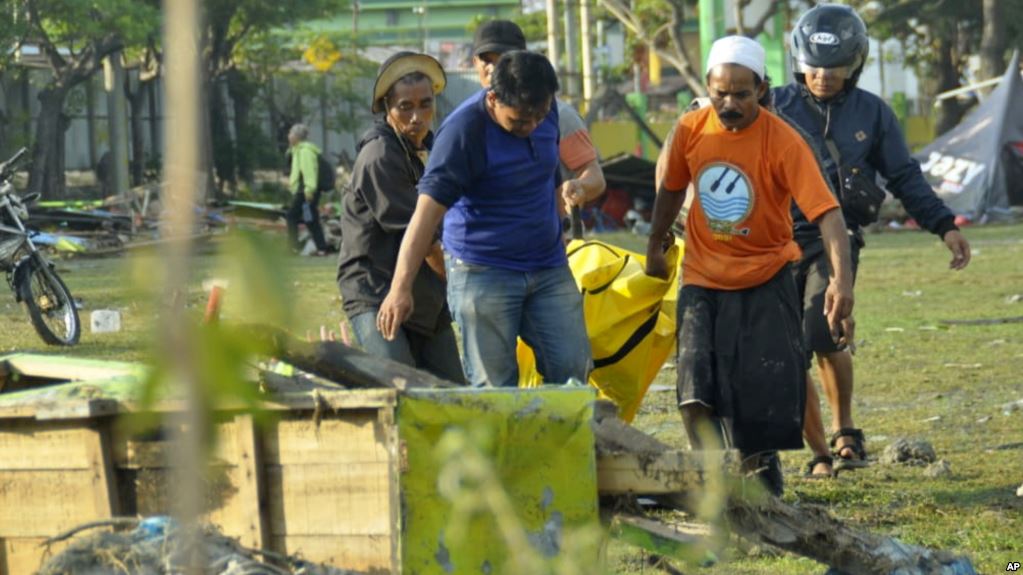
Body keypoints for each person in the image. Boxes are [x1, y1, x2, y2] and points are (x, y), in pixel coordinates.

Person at [645, 36, 854, 496]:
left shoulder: (783, 140)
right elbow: (670, 191)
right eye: (721, 92)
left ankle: (763, 482)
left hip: (765, 278)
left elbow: (827, 212)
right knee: (694, 391)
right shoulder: (690, 129)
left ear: (762, 89)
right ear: (708, 86)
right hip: (702, 277)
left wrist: (842, 281)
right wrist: (654, 245)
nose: (730, 103)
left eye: (742, 93)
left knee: (760, 396)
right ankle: (714, 487)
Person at [773, 4, 971, 477]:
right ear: (799, 62)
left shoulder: (873, 113)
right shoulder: (772, 105)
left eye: (835, 69)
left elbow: (904, 176)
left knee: (823, 331)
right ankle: (820, 452)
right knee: (787, 348)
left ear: (854, 66)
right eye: (814, 67)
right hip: (774, 240)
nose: (822, 77)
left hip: (833, 239)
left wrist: (945, 226)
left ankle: (846, 430)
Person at [377, 51, 592, 388]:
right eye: (520, 121)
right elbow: (425, 214)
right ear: (492, 98)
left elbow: (545, 174)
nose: (532, 126)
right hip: (483, 271)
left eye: (540, 115)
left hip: (548, 267)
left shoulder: (544, 112)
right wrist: (400, 288)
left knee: (572, 368)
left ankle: (558, 440)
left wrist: (556, 222)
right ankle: (503, 442)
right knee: (495, 388)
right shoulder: (464, 132)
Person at [337, 52, 464, 382]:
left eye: (425, 104)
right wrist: (464, 287)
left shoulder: (433, 149)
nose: (417, 117)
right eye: (405, 107)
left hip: (426, 296)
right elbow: (424, 239)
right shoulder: (379, 155)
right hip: (377, 291)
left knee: (456, 395)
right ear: (386, 108)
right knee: (404, 391)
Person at [471, 19, 606, 218]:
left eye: (503, 60)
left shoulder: (560, 116)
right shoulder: (468, 121)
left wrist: (581, 186)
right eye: (487, 60)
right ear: (474, 62)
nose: (493, 68)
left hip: (554, 238)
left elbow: (595, 176)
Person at [286, 123, 331, 255]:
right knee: (310, 219)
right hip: (305, 190)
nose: (289, 136)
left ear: (297, 136)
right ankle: (322, 248)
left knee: (291, 216)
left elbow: (309, 172)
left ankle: (293, 248)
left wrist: (309, 189)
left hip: (306, 191)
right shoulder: (297, 150)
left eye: (291, 133)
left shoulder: (305, 151)